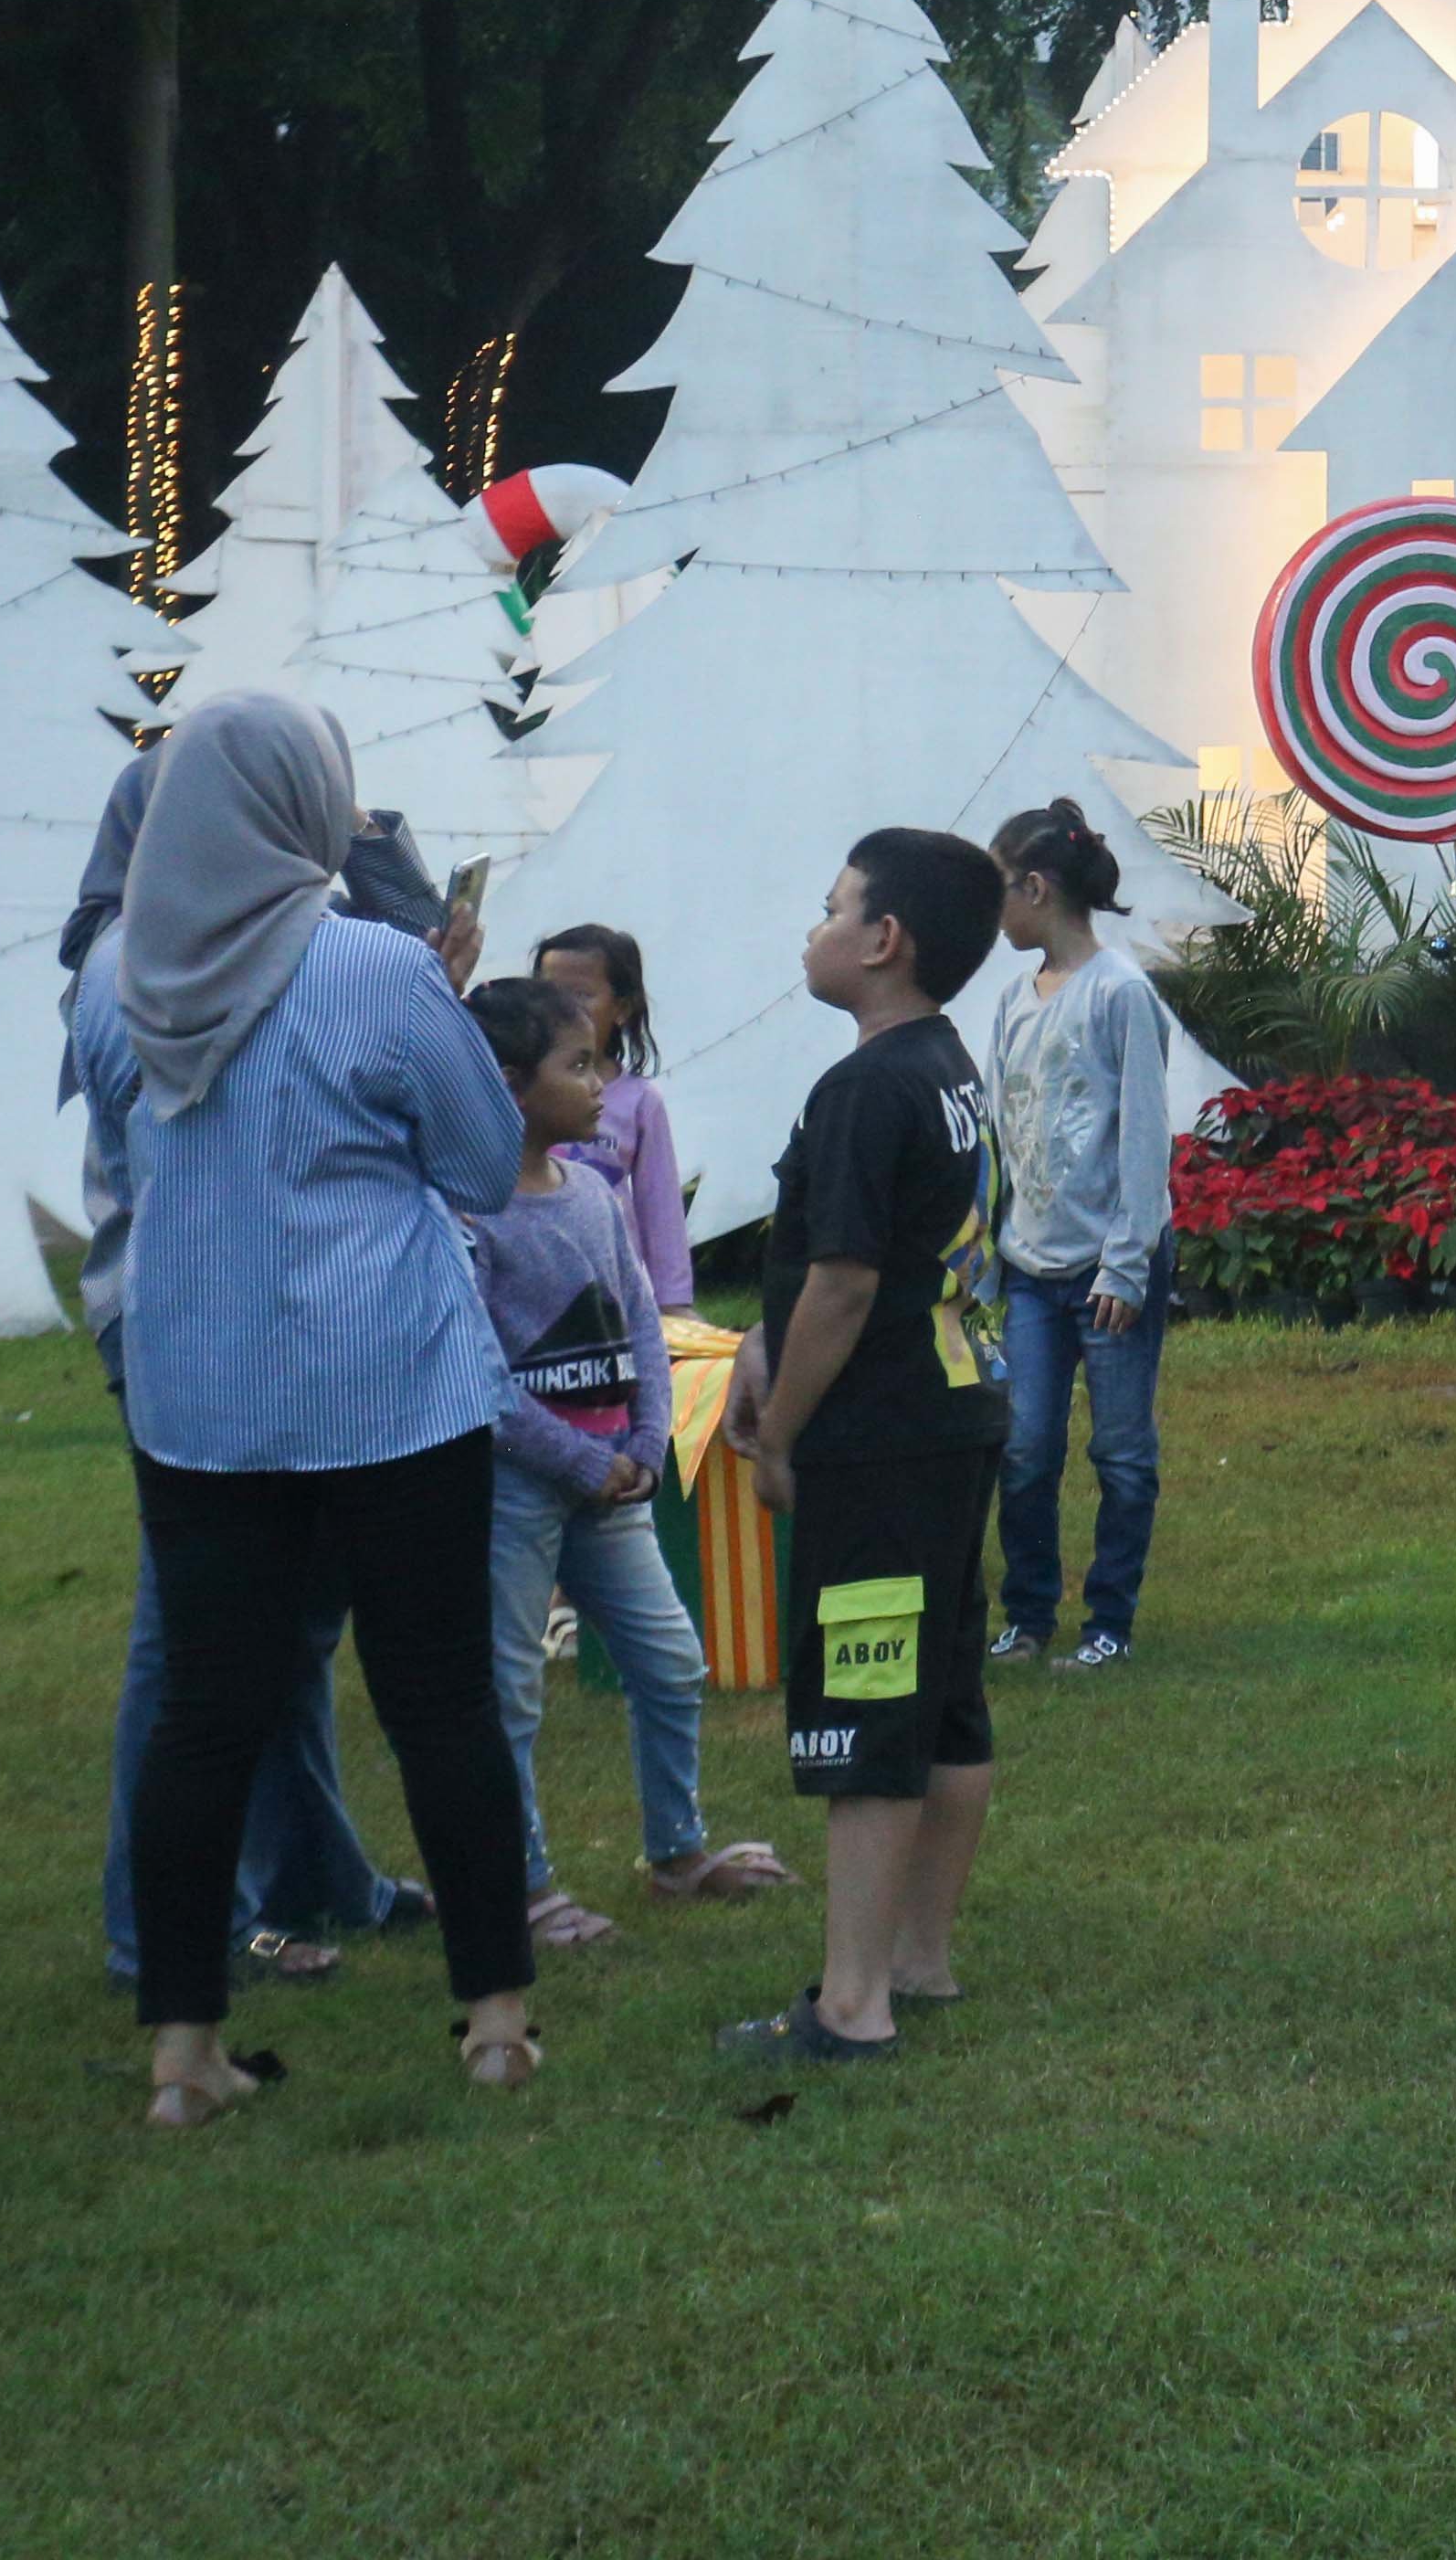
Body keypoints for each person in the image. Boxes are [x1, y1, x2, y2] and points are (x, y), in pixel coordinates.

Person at [71, 693, 540, 2127]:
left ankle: (182, 2053)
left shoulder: (111, 982)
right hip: (392, 1386)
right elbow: (481, 1159)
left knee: (204, 1720)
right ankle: (497, 2020)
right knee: (441, 1698)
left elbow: (120, 1164)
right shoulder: (378, 972)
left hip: (202, 1401)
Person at [69, 743, 439, 1990]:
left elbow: (412, 990)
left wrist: (378, 866)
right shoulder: (151, 962)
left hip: (266, 1320)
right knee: (191, 1640)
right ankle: (167, 1932)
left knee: (290, 1624)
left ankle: (307, 1877)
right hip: (197, 1327)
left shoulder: (252, 940)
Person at [715, 829, 1012, 2068]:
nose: (814, 926)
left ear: (883, 940)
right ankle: (918, 1959)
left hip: (878, 1441)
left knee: (867, 1705)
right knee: (944, 1700)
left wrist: (779, 1434)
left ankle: (851, 2005)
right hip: (950, 1422)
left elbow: (840, 1283)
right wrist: (754, 1340)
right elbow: (839, 1265)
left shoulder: (862, 1087)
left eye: (831, 906)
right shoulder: (944, 1069)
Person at [461, 977, 788, 1948]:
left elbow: (645, 1325)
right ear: (511, 1086)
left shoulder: (596, 1194)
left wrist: (643, 1445)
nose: (604, 1084)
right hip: (518, 1492)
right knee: (511, 1692)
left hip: (613, 1484)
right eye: (579, 1064)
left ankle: (678, 1855)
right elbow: (477, 1373)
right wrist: (574, 1459)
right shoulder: (468, 1211)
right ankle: (522, 1891)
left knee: (671, 1663)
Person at [982, 798, 1176, 1672]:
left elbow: (1143, 1137)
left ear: (1036, 887)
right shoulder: (1011, 1001)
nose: (995, 915)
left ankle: (1110, 1624)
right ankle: (1026, 1618)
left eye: (1001, 894)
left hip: (1108, 1266)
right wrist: (985, 1253)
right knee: (1023, 1447)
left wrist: (1127, 1266)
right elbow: (999, 1131)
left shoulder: (1122, 993)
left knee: (1120, 1451)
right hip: (1028, 1265)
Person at [534, 922, 693, 1314]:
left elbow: (662, 1212)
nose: (561, 1009)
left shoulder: (640, 1102)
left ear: (622, 1009)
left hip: (613, 1292)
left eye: (581, 995)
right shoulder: (518, 1089)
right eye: (547, 993)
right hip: (531, 1278)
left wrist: (673, 1304)